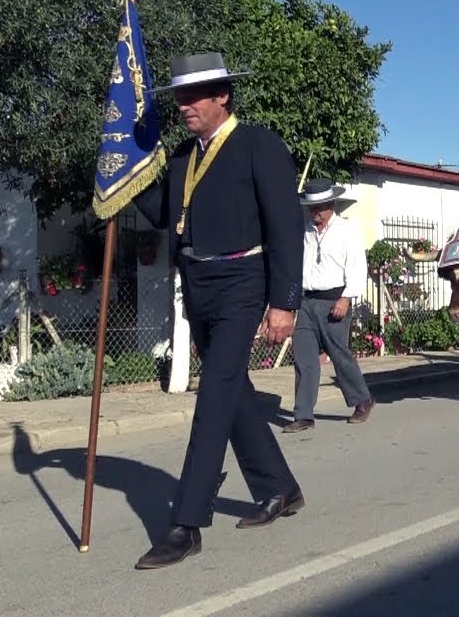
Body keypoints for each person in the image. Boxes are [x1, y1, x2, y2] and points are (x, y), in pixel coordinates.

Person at [132, 53, 305, 570]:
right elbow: (165, 214)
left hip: (243, 283)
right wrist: (128, 173)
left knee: (213, 396)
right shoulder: (185, 155)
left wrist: (284, 301)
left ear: (222, 95)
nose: (183, 106)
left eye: (192, 96)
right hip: (198, 283)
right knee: (234, 394)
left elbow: (285, 226)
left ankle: (186, 523)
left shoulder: (258, 145)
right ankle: (279, 488)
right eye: (179, 98)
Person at [282, 178, 375, 433]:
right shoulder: (305, 232)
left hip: (335, 300)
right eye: (312, 208)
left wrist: (346, 298)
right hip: (308, 301)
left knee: (339, 354)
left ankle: (362, 400)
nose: (316, 213)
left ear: (331, 204)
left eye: (320, 207)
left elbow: (357, 267)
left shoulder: (347, 231)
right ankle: (303, 415)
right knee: (304, 358)